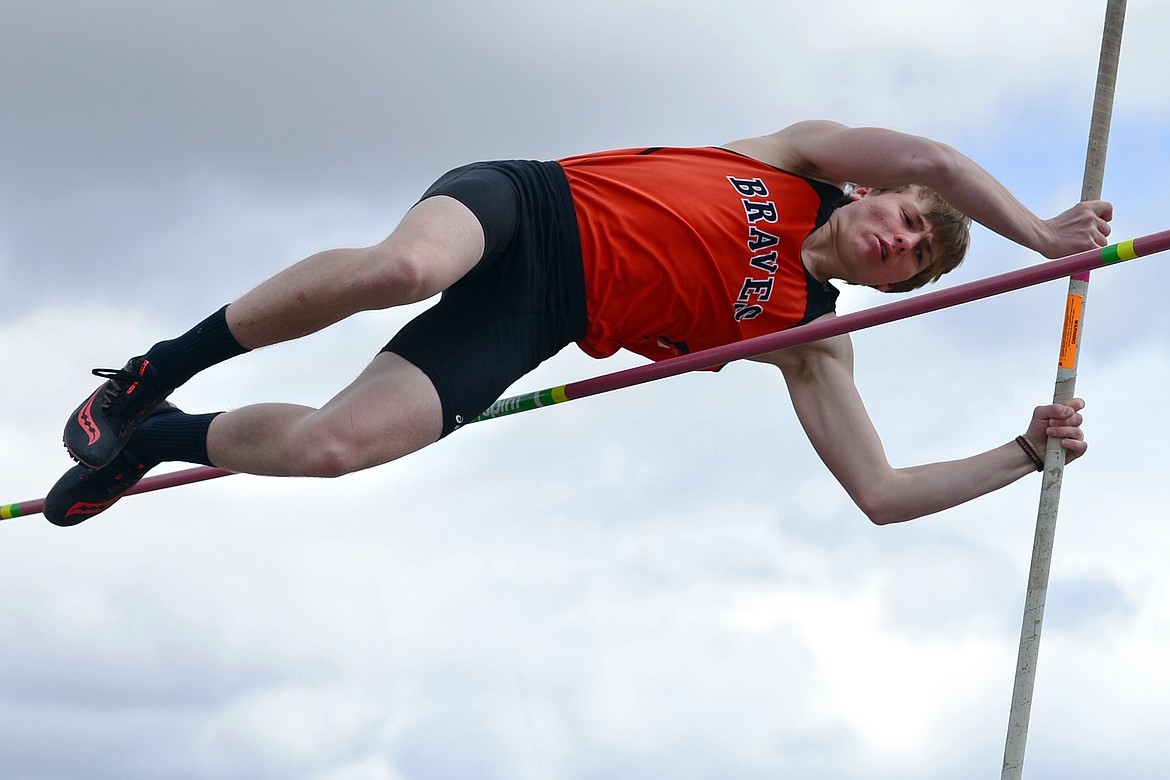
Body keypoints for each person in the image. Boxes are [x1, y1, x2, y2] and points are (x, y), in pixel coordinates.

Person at [44, 120, 1108, 527]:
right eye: (909, 217)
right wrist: (1036, 235)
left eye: (921, 253)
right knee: (405, 267)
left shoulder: (809, 336)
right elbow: (932, 159)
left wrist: (1024, 453)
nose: (904, 234)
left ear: (895, 287)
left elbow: (880, 493)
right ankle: (151, 373)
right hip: (530, 204)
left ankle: (151, 441)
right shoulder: (792, 161)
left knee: (337, 447)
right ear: (876, 193)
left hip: (547, 314)